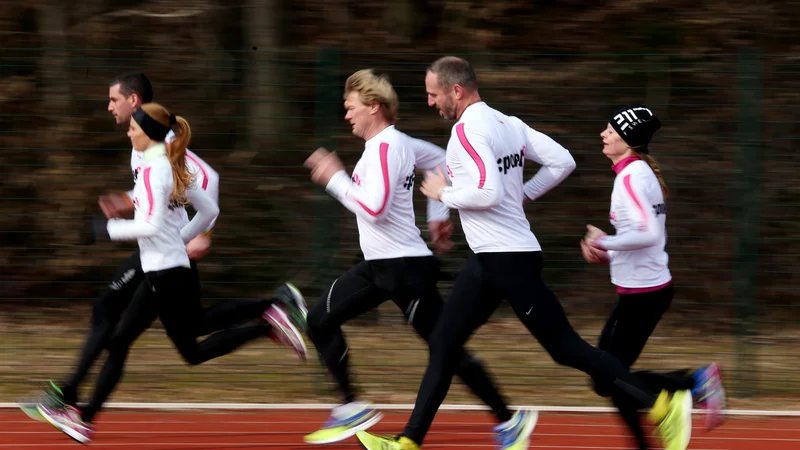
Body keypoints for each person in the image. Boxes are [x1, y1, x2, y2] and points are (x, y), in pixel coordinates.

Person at [356, 57, 692, 450]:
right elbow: (561, 161)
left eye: (433, 95)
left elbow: (489, 192)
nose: (431, 103)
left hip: (507, 260)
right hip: (491, 260)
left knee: (565, 348)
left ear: (456, 90)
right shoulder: (507, 123)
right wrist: (523, 194)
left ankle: (660, 403)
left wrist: (442, 195)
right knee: (444, 343)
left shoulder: (466, 131)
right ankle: (408, 442)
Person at [17, 73, 308, 423]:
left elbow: (205, 181)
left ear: (134, 102)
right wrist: (129, 201)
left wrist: (199, 235)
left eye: (114, 100)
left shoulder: (164, 143)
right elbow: (161, 194)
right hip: (159, 253)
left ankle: (70, 398)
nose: (109, 107)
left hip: (166, 256)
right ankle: (76, 404)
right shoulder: (145, 147)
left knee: (114, 313)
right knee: (176, 343)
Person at [302, 69, 535, 447]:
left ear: (374, 108)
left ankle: (509, 419)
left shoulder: (387, 147)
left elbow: (374, 208)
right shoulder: (396, 144)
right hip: (382, 266)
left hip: (404, 269)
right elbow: (442, 161)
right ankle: (352, 406)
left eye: (351, 107)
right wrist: (438, 214)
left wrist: (334, 178)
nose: (346, 115)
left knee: (445, 348)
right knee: (319, 319)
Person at [581, 104, 726, 449]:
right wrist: (610, 251)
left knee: (608, 378)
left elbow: (645, 234)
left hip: (642, 295)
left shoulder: (630, 177)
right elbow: (644, 235)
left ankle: (690, 385)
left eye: (611, 131)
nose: (603, 134)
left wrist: (603, 240)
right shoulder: (639, 174)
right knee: (614, 379)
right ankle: (691, 386)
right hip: (646, 290)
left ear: (627, 140)